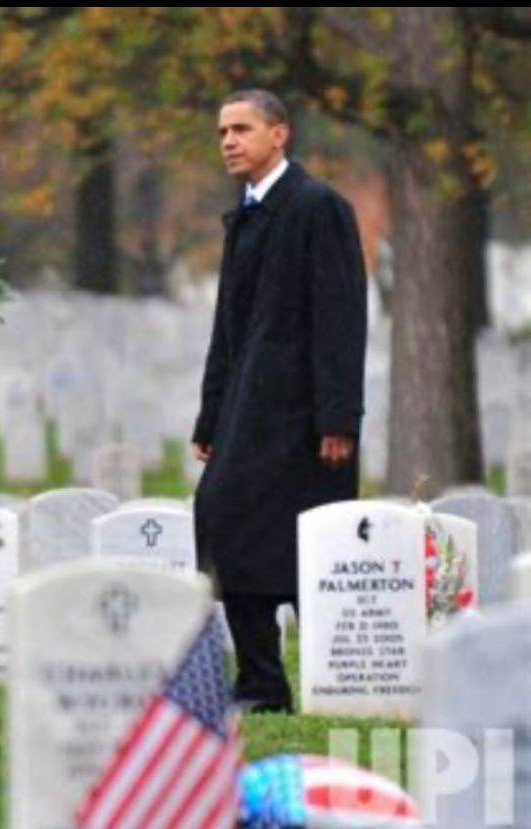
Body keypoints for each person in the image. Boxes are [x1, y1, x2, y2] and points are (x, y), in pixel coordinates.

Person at [192, 89, 367, 713]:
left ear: (280, 134)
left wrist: (339, 418)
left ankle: (322, 681)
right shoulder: (244, 212)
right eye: (222, 132)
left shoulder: (318, 207)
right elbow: (226, 328)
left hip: (303, 418)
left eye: (242, 129)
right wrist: (211, 417)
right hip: (247, 410)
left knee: (303, 551)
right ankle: (262, 682)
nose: (229, 142)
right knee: (224, 523)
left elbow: (342, 317)